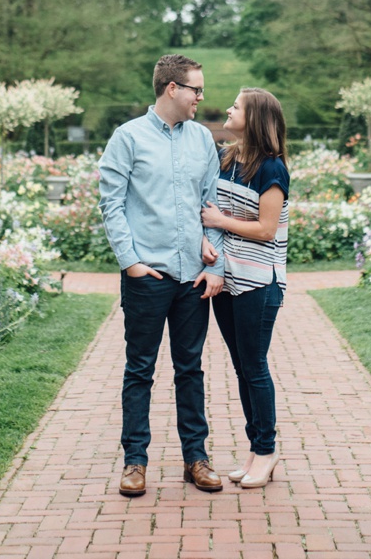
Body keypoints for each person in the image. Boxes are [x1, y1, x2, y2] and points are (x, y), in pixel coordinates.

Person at [99, 54, 227, 498]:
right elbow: (111, 205)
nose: (201, 98)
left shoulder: (203, 140)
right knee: (140, 370)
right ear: (172, 88)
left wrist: (218, 264)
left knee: (190, 369)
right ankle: (135, 462)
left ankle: (197, 458)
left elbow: (213, 209)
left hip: (193, 277)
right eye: (196, 89)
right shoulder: (127, 137)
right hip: (147, 276)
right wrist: (131, 263)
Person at [200, 88, 290, 489]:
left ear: (254, 118)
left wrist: (220, 222)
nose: (229, 110)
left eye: (236, 106)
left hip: (259, 282)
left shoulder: (273, 169)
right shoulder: (227, 159)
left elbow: (266, 230)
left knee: (254, 368)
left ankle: (267, 452)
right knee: (242, 367)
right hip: (228, 281)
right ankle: (256, 450)